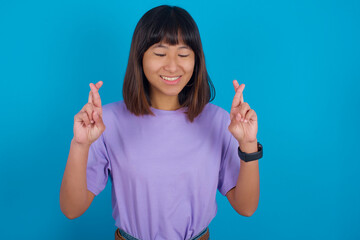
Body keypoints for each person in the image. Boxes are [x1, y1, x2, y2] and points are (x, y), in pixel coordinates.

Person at [60, 5, 262, 240]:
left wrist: (248, 144)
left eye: (184, 54)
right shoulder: (105, 123)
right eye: (160, 53)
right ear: (140, 57)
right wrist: (80, 144)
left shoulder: (219, 122)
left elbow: (246, 207)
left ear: (196, 60)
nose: (173, 66)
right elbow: (71, 209)